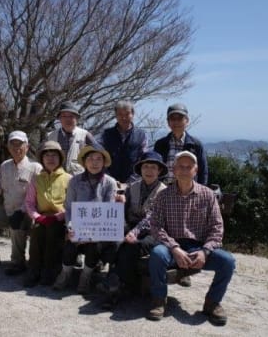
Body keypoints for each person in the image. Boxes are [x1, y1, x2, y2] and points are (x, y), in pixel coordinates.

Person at [146, 151, 235, 325]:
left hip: (198, 248)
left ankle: (212, 302)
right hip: (172, 247)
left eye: (189, 167)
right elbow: (156, 227)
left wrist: (205, 251)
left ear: (196, 170)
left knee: (227, 261)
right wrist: (174, 248)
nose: (185, 170)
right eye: (181, 166)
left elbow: (217, 228)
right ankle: (158, 299)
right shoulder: (163, 196)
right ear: (174, 169)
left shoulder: (208, 195)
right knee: (157, 254)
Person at [0, 131, 42, 275]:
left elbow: (37, 196)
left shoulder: (35, 168)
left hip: (27, 213)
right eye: (13, 144)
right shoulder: (5, 166)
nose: (16, 147)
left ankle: (18, 262)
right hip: (7, 211)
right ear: (8, 147)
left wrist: (22, 211)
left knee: (17, 225)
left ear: (27, 147)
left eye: (20, 144)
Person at [53, 145, 119, 294]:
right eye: (90, 158)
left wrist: (92, 233)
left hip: (100, 229)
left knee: (93, 245)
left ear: (103, 162)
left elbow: (108, 211)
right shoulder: (74, 181)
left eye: (98, 159)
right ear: (84, 162)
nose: (94, 162)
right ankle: (65, 274)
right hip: (77, 225)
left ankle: (85, 276)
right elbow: (69, 208)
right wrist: (70, 227)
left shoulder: (110, 182)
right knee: (70, 242)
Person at [101, 151, 167, 298]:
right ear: (141, 169)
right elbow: (122, 212)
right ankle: (118, 283)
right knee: (115, 242)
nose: (149, 171)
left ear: (159, 170)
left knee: (132, 245)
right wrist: (123, 226)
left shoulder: (164, 192)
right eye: (146, 167)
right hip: (130, 228)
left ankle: (116, 284)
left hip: (154, 233)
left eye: (153, 167)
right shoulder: (132, 187)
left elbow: (153, 219)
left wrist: (134, 233)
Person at [23, 141, 71, 287]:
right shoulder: (36, 179)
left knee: (53, 233)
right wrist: (37, 217)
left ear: (60, 158)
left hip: (61, 218)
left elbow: (71, 204)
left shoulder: (69, 178)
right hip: (41, 217)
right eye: (47, 155)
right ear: (42, 159)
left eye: (54, 155)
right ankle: (34, 270)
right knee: (36, 232)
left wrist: (58, 217)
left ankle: (50, 271)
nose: (50, 158)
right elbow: (29, 203)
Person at [154, 103, 208, 185]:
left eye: (180, 118)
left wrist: (200, 193)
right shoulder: (160, 144)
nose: (176, 122)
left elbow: (203, 172)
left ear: (187, 121)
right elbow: (155, 169)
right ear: (168, 122)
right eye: (172, 119)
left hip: (188, 191)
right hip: (164, 190)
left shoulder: (196, 145)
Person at [100, 100, 148, 184]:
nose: (124, 117)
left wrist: (131, 181)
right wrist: (111, 180)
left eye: (127, 114)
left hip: (134, 183)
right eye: (120, 114)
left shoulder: (141, 135)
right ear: (116, 116)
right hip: (108, 182)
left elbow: (144, 160)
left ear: (132, 114)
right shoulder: (106, 134)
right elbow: (100, 158)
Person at [47, 101, 97, 175]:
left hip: (79, 180)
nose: (67, 119)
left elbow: (100, 156)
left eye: (71, 116)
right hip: (55, 179)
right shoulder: (50, 136)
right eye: (64, 116)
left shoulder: (85, 135)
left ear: (76, 118)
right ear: (59, 119)